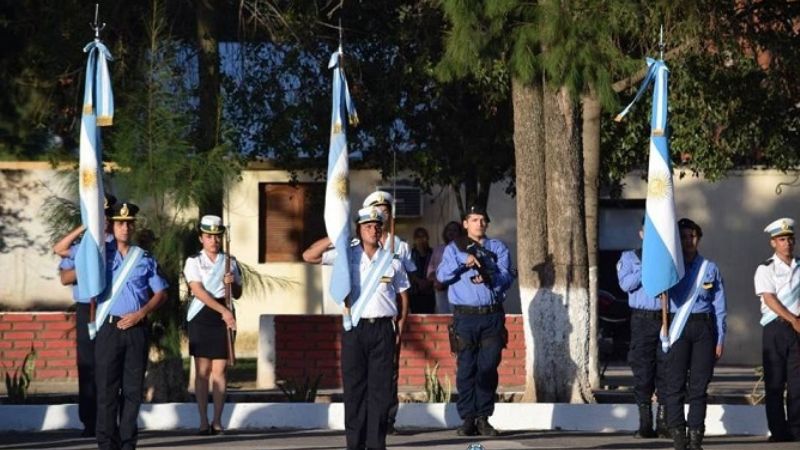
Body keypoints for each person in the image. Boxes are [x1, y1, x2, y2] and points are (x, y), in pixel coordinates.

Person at [303, 206, 410, 450]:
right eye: (368, 226)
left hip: (383, 329)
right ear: (359, 230)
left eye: (377, 226)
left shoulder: (392, 260)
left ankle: (376, 444)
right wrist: (335, 236)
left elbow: (404, 297)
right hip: (355, 329)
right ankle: (355, 444)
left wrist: (400, 328)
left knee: (380, 391)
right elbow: (309, 256)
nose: (373, 230)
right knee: (354, 389)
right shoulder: (345, 255)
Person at [94, 202, 168, 450]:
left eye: (129, 224)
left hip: (137, 329)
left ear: (134, 227)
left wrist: (141, 313)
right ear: (111, 226)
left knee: (133, 391)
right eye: (120, 223)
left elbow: (161, 293)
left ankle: (128, 442)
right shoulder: (100, 255)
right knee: (107, 390)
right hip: (109, 328)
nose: (124, 228)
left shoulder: (144, 258)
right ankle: (107, 443)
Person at [436, 206, 515, 437]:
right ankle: (468, 418)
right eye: (474, 219)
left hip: (491, 315)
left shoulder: (497, 247)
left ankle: (483, 417)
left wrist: (491, 278)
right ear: (465, 223)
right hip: (465, 317)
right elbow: (441, 276)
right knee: (466, 368)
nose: (479, 223)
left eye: (482, 220)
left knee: (488, 368)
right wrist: (463, 262)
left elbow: (507, 276)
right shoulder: (454, 248)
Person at [52, 194, 117, 438]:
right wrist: (85, 229)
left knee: (110, 364)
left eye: (107, 216)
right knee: (88, 365)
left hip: (109, 308)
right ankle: (89, 421)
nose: (104, 221)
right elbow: (62, 263)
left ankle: (109, 419)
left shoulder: (115, 245)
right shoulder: (83, 245)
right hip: (85, 309)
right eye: (99, 217)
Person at [664, 218, 726, 450]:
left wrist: (720, 338)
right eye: (683, 237)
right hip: (678, 328)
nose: (688, 241)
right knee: (675, 385)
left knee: (699, 387)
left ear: (698, 238)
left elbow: (720, 306)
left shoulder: (710, 268)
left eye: (692, 236)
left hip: (704, 329)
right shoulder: (670, 268)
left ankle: (695, 437)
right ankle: (678, 437)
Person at [361, 190, 415, 434]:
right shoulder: (358, 245)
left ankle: (387, 419)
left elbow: (406, 284)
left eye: (385, 211)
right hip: (364, 314)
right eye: (377, 211)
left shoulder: (400, 245)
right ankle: (368, 418)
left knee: (389, 371)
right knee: (365, 372)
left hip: (389, 315)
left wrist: (401, 322)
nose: (381, 215)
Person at [183, 215, 242, 435]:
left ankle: (217, 421)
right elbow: (198, 291)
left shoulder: (230, 261)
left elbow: (238, 292)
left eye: (217, 236)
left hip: (223, 315)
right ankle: (202, 420)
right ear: (201, 238)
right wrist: (224, 312)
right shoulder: (194, 261)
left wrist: (232, 283)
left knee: (220, 370)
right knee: (202, 371)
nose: (214, 241)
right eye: (209, 236)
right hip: (203, 314)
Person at [616, 222, 668, 439]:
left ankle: (664, 421)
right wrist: (646, 266)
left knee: (666, 370)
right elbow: (625, 285)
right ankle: (645, 423)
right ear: (641, 233)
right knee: (643, 371)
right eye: (648, 232)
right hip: (642, 319)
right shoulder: (629, 257)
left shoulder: (669, 257)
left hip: (665, 318)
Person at [753, 217, 800, 442]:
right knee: (775, 383)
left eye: (790, 239)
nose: (787, 243)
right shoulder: (766, 268)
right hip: (776, 328)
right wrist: (792, 319)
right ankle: (778, 432)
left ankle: (797, 429)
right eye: (782, 239)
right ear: (773, 242)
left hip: (797, 328)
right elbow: (769, 298)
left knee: (797, 383)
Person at [428, 221, 462, 314]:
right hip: (440, 290)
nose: (451, 232)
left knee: (454, 315)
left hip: (457, 290)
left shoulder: (462, 249)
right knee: (442, 315)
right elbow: (431, 270)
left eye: (455, 230)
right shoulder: (438, 249)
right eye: (449, 230)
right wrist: (437, 280)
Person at [409, 227, 436, 313]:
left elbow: (436, 269)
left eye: (423, 236)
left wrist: (428, 282)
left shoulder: (433, 253)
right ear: (414, 239)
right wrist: (419, 281)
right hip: (414, 292)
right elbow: (408, 270)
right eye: (418, 237)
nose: (421, 239)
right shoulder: (410, 254)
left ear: (427, 238)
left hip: (430, 291)